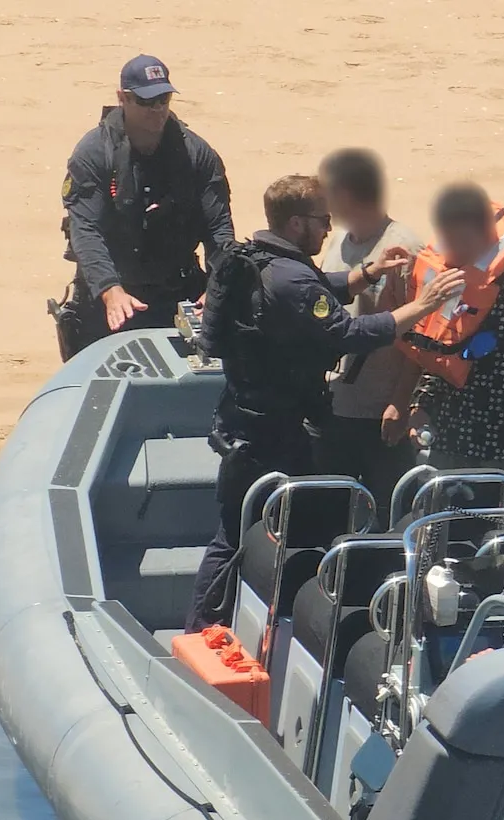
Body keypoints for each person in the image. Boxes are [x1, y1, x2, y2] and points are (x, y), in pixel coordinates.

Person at [186, 174, 467, 632]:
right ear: (297, 222)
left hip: (245, 417)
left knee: (241, 527)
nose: (327, 227)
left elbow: (318, 290)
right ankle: (205, 629)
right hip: (272, 433)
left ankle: (216, 624)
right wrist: (424, 305)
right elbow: (346, 331)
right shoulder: (293, 278)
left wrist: (368, 273)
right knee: (240, 534)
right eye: (321, 218)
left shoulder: (256, 260)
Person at [57, 54, 235, 358]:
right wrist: (111, 291)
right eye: (146, 101)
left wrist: (218, 286)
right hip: (113, 295)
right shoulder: (94, 154)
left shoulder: (196, 153)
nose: (158, 110)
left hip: (176, 291)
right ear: (123, 98)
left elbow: (218, 226)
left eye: (163, 99)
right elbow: (86, 230)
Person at [407, 182, 504, 500]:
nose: (445, 244)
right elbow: (435, 344)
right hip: (448, 429)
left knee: (498, 530)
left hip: (502, 437)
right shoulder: (448, 277)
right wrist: (420, 403)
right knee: (440, 524)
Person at [312, 149, 423, 526]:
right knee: (330, 512)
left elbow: (422, 334)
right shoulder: (339, 239)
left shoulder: (404, 248)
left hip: (379, 412)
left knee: (390, 517)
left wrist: (400, 400)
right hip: (332, 404)